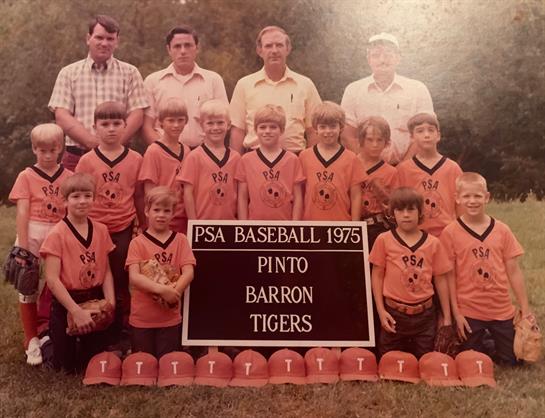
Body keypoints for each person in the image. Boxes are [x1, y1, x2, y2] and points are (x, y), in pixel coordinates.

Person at [440, 172, 534, 366]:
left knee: (513, 361)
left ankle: (493, 340)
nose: (472, 201)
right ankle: (483, 340)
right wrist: (457, 314)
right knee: (470, 359)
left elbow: (514, 271)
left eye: (477, 196)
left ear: (487, 197)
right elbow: (450, 276)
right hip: (470, 311)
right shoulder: (450, 232)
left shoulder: (502, 230)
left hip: (500, 308)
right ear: (457, 198)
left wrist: (525, 309)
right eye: (466, 196)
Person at [75, 101, 143, 343]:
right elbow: (79, 197)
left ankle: (124, 331)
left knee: (122, 281)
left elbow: (138, 196)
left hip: (123, 227)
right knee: (97, 279)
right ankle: (98, 331)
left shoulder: (135, 158)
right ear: (95, 127)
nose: (111, 129)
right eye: (105, 124)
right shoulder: (87, 161)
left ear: (125, 126)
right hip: (95, 229)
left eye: (117, 123)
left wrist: (142, 227)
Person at [8, 124, 73, 365]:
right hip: (34, 230)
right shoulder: (26, 175)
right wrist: (23, 248)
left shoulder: (68, 177)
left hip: (58, 232)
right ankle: (31, 339)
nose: (47, 155)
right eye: (42, 150)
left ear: (61, 149)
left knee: (54, 283)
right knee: (28, 285)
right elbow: (23, 212)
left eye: (52, 150)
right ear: (34, 149)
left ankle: (49, 330)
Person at [48, 15, 148, 170]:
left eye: (110, 38)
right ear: (88, 38)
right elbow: (61, 115)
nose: (104, 43)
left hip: (121, 157)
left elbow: (137, 114)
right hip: (77, 156)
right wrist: (92, 143)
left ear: (117, 41)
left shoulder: (130, 73)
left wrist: (114, 145)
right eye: (99, 37)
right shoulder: (68, 73)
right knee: (73, 195)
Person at [40, 173, 115, 372]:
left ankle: (85, 342)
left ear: (94, 198)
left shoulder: (101, 230)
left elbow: (106, 271)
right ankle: (47, 341)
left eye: (87, 195)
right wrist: (76, 312)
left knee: (92, 363)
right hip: (67, 303)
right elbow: (52, 279)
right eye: (75, 197)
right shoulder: (57, 234)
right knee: (65, 367)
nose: (82, 201)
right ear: (64, 201)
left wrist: (110, 303)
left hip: (94, 298)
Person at [369, 187, 452, 358]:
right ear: (392, 213)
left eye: (411, 209)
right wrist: (381, 310)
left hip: (425, 314)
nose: (406, 215)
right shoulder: (384, 240)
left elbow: (441, 280)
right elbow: (377, 276)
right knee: (388, 362)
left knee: (426, 361)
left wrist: (447, 317)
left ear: (420, 212)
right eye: (400, 210)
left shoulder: (433, 243)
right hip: (394, 313)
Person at [341, 32, 433, 165]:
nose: (382, 60)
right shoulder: (353, 90)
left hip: (409, 168)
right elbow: (347, 134)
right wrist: (366, 164)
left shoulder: (417, 89)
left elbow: (426, 133)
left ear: (398, 58)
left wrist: (403, 168)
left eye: (388, 54)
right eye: (376, 55)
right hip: (364, 169)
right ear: (369, 59)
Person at [125, 186, 196, 358]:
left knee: (168, 364)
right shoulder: (137, 243)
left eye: (166, 211)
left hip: (169, 318)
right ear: (147, 211)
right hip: (142, 318)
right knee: (144, 365)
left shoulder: (180, 240)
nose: (161, 215)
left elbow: (188, 272)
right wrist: (162, 290)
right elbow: (134, 277)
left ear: (173, 213)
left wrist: (175, 291)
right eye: (156, 210)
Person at [230, 26, 322, 154]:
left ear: (288, 49)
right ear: (259, 50)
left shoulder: (305, 84)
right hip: (253, 160)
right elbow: (237, 130)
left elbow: (313, 130)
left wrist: (311, 162)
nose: (274, 50)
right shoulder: (244, 85)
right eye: (268, 46)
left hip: (295, 160)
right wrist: (236, 164)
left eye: (279, 45)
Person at [142, 25, 228, 148]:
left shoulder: (213, 80)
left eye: (188, 45)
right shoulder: (152, 81)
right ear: (169, 49)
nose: (183, 51)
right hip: (165, 153)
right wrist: (164, 151)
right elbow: (147, 127)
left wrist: (206, 155)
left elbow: (223, 121)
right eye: (177, 46)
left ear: (197, 48)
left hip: (204, 154)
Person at [396, 112, 462, 237]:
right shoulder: (403, 170)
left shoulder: (452, 168)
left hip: (447, 235)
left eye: (431, 130)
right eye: (420, 131)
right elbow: (399, 207)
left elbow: (461, 209)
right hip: (415, 235)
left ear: (438, 135)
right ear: (412, 137)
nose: (426, 135)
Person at [236, 104, 304, 220]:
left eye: (273, 127)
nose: (267, 131)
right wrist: (244, 225)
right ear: (256, 130)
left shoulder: (292, 159)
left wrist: (295, 226)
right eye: (262, 127)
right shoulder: (246, 160)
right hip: (254, 227)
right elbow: (242, 197)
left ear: (282, 130)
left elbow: (298, 198)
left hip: (285, 227)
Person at [299, 101, 365, 221]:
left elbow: (356, 195)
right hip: (310, 224)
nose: (328, 131)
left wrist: (355, 225)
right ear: (315, 129)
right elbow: (300, 194)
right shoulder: (304, 156)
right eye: (323, 127)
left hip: (341, 224)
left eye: (333, 126)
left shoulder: (351, 158)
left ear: (341, 128)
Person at [179, 99, 240, 220]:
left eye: (220, 123)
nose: (215, 127)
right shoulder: (194, 157)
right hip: (202, 225)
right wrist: (193, 223)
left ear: (228, 125)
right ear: (201, 125)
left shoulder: (236, 158)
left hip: (230, 225)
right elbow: (188, 194)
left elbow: (240, 195)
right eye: (210, 123)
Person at [139, 97, 191, 233]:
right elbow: (149, 190)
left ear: (186, 121)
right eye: (171, 120)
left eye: (180, 120)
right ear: (161, 122)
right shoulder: (154, 151)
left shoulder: (186, 150)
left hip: (183, 216)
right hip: (163, 217)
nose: (176, 125)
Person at [357, 116, 398, 249]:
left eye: (379, 140)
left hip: (378, 226)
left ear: (386, 142)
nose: (375, 145)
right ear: (361, 140)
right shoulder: (350, 164)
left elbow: (394, 208)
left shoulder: (391, 172)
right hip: (352, 225)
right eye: (369, 140)